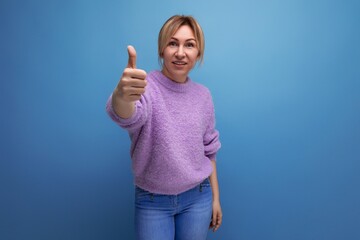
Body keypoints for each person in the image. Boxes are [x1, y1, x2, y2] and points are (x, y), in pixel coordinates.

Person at [106, 15, 222, 240]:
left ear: (198, 53)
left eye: (189, 45)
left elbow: (210, 150)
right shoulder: (146, 88)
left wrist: (216, 198)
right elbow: (129, 114)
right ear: (161, 50)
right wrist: (122, 96)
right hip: (152, 201)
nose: (180, 53)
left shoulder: (203, 96)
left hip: (198, 197)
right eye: (172, 43)